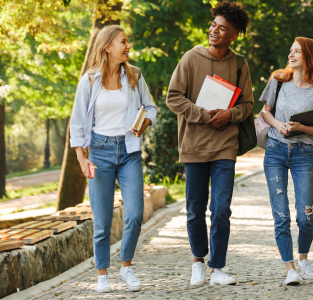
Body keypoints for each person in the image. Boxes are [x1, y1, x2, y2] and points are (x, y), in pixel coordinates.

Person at [166, 1, 253, 286]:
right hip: (193, 146)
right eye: (214, 25)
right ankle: (198, 262)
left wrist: (230, 114)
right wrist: (203, 115)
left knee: (221, 209)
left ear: (234, 35)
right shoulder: (191, 58)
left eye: (222, 28)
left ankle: (217, 268)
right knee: (195, 208)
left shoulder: (240, 64)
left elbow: (248, 105)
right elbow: (174, 98)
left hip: (225, 146)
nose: (214, 31)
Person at [70, 25, 157, 293]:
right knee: (103, 219)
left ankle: (126, 267)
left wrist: (143, 125)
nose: (128, 46)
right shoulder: (89, 80)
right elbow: (77, 122)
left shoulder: (134, 76)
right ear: (108, 46)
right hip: (99, 152)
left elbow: (151, 107)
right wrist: (82, 159)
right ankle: (102, 274)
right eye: (123, 42)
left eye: (127, 41)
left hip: (129, 152)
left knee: (134, 214)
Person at [259, 37, 313, 286]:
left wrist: (301, 126)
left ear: (309, 56)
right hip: (275, 150)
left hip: (304, 154)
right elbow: (265, 113)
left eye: (297, 51)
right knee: (280, 215)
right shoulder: (278, 81)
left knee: (305, 216)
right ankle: (289, 268)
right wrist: (278, 124)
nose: (291, 54)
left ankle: (303, 258)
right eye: (290, 50)